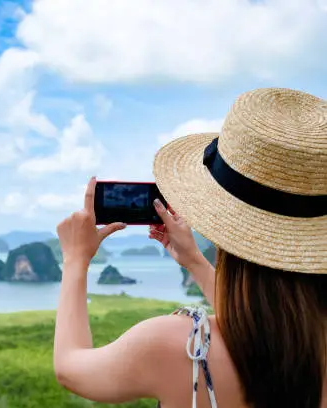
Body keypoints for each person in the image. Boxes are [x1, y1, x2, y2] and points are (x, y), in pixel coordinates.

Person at [53, 87, 327, 408]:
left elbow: (71, 367)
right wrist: (194, 262)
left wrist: (75, 259)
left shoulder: (175, 346)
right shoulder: (310, 342)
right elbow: (267, 319)